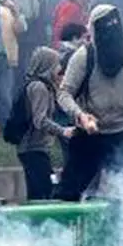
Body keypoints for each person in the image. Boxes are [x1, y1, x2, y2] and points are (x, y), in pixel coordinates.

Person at [55, 5, 123, 201]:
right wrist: (81, 116)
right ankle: (61, 231)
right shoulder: (83, 57)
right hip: (89, 135)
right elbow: (64, 93)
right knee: (69, 193)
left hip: (121, 134)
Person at [14, 47, 73, 201]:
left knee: (37, 192)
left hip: (35, 148)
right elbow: (40, 120)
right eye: (57, 64)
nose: (60, 68)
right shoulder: (39, 87)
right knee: (43, 192)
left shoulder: (40, 85)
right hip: (32, 148)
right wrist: (63, 131)